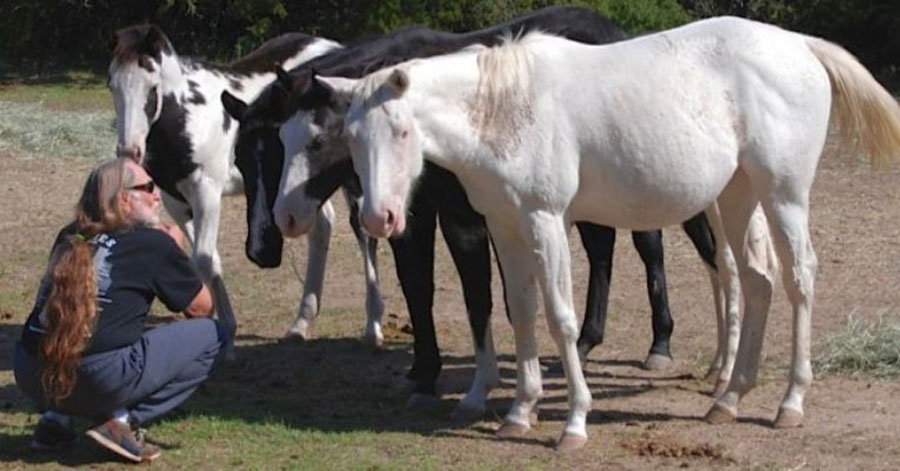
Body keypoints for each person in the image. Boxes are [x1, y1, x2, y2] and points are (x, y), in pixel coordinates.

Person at [13, 158, 227, 463]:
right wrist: (175, 250)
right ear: (124, 199)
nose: (157, 196)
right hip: (98, 377)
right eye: (149, 188)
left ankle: (55, 421)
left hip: (31, 372)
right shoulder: (154, 244)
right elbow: (202, 309)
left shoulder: (69, 235)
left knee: (74, 332)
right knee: (214, 334)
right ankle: (121, 421)